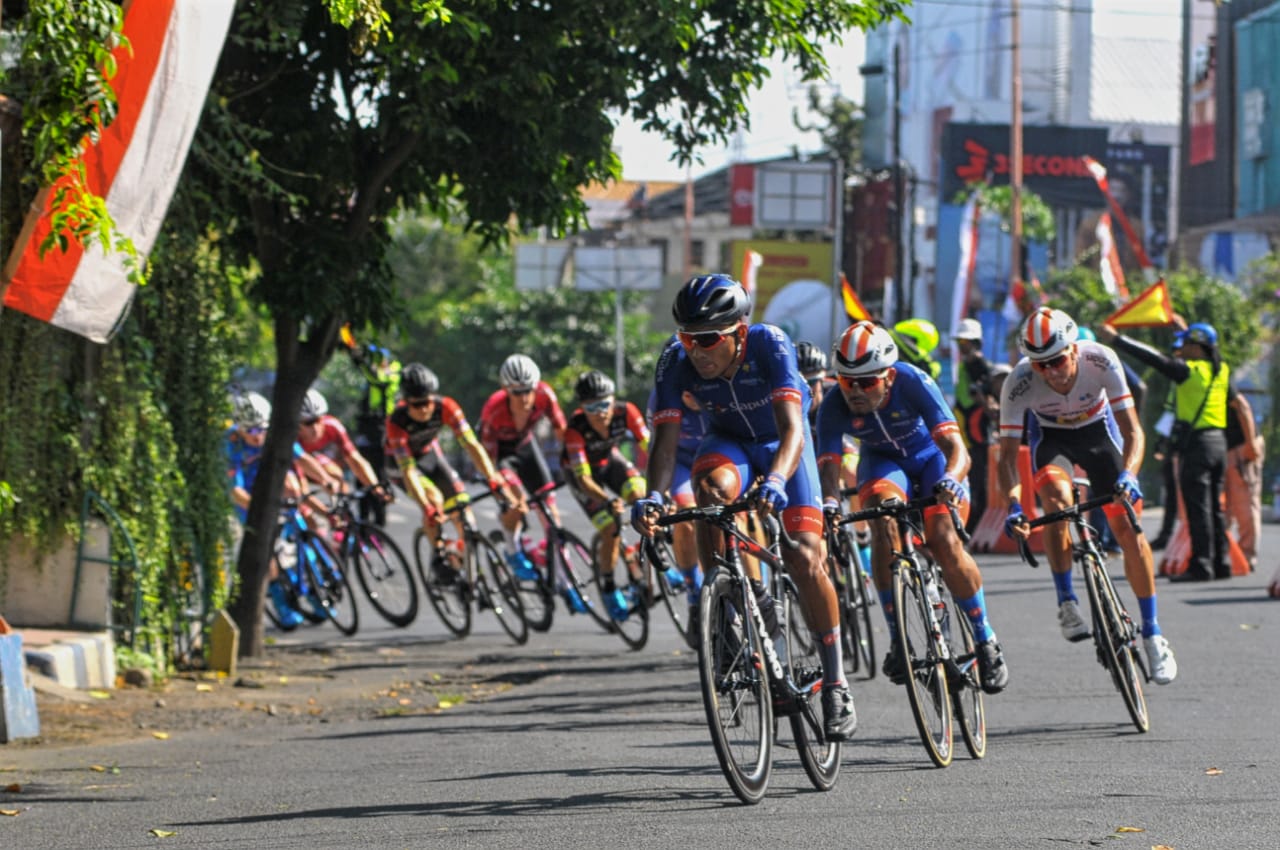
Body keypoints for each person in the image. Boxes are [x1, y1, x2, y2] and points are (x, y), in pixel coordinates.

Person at [632, 273, 857, 742]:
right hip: (729, 443)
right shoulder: (675, 360)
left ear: (737, 332)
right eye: (687, 338)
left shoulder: (770, 345)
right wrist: (653, 497)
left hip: (782, 445)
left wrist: (776, 479)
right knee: (709, 496)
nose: (696, 350)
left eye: (708, 339)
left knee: (805, 557)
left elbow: (794, 430)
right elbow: (666, 441)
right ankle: (733, 602)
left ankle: (836, 681)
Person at [816, 321, 1009, 694]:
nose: (855, 391)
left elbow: (957, 449)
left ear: (888, 376)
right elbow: (828, 464)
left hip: (931, 460)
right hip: (885, 464)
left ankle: (985, 639)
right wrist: (828, 502)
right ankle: (897, 639)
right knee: (881, 525)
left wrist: (952, 479)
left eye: (867, 382)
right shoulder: (834, 405)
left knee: (943, 538)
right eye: (846, 381)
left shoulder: (913, 381)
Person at [1000, 307, 1177, 684]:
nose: (1049, 372)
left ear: (1075, 351)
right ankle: (1067, 601)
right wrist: (1014, 504)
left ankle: (1153, 633)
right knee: (1057, 504)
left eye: (1057, 361)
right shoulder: (1018, 382)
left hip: (1100, 435)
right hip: (1053, 441)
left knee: (1128, 529)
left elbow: (1133, 433)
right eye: (1039, 364)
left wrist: (1129, 474)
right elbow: (1006, 458)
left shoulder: (1101, 359)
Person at [1099, 320, 1253, 582]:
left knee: (1197, 508)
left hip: (1198, 446)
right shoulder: (1221, 370)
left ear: (1199, 348)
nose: (1183, 349)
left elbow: (1155, 359)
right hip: (1218, 444)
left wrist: (1117, 340)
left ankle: (1201, 565)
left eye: (1188, 344)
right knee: (1214, 507)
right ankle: (1221, 562)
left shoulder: (1188, 371)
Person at [383, 363, 519, 583]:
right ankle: (438, 555)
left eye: (427, 402)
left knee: (463, 507)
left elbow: (471, 445)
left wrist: (493, 478)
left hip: (429, 455)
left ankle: (470, 566)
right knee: (434, 500)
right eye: (417, 405)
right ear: (406, 402)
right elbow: (408, 470)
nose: (424, 410)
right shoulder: (396, 421)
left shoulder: (446, 406)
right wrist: (426, 508)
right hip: (401, 465)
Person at [560, 370, 651, 619]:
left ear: (613, 401)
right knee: (610, 527)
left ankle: (658, 554)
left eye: (605, 404)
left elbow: (652, 448)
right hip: (584, 478)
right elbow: (584, 479)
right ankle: (610, 588)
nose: (601, 412)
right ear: (582, 408)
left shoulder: (627, 411)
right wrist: (608, 500)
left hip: (610, 461)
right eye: (592, 407)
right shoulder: (575, 430)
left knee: (644, 497)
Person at [478, 353, 569, 586]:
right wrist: (499, 488)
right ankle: (512, 550)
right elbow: (488, 460)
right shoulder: (493, 410)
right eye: (517, 392)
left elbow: (562, 432)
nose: (525, 397)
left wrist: (572, 463)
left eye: (529, 390)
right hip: (501, 454)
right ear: (506, 390)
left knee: (549, 504)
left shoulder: (545, 395)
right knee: (517, 502)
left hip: (526, 445)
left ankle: (562, 569)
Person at [645, 345, 707, 623]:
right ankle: (693, 588)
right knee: (685, 515)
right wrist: (661, 492)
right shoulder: (662, 399)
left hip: (716, 458)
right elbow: (656, 448)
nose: (689, 397)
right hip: (681, 464)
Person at [296, 388, 389, 509]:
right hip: (296, 465)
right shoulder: (292, 437)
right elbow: (302, 464)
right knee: (300, 498)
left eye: (318, 420)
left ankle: (343, 514)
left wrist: (376, 487)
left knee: (337, 476)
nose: (315, 427)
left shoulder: (332, 426)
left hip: (317, 462)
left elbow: (355, 459)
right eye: (308, 423)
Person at [347, 344, 401, 526]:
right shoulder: (373, 376)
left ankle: (379, 521)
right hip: (366, 431)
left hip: (381, 432)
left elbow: (376, 379)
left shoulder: (391, 375)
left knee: (378, 476)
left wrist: (361, 361)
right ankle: (363, 521)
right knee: (361, 476)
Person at [951, 318, 993, 532]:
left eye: (965, 342)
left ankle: (975, 522)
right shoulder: (967, 363)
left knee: (977, 475)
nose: (961, 346)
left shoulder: (977, 362)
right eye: (960, 342)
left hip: (975, 425)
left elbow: (982, 392)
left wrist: (985, 404)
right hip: (966, 425)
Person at [1224, 391, 1263, 573]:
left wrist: (1250, 443)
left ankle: (1247, 554)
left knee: (1245, 503)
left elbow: (1243, 407)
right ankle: (1229, 553)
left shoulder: (1217, 373)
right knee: (1225, 506)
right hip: (1222, 449)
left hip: (1242, 447)